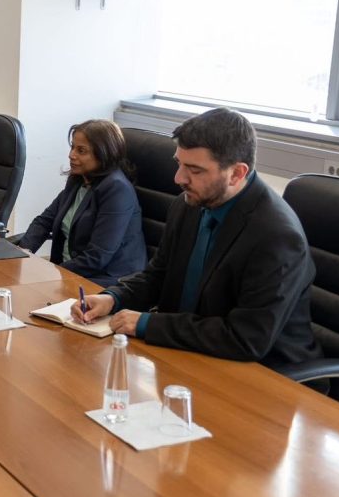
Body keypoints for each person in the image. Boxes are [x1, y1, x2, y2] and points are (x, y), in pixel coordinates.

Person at [73, 108, 320, 370]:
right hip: (192, 350)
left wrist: (147, 323)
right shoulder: (189, 205)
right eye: (179, 163)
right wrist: (114, 298)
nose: (178, 178)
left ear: (237, 173)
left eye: (195, 170)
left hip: (265, 373)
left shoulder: (276, 236)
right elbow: (158, 275)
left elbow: (246, 338)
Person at [17, 119, 146, 286]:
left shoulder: (117, 189)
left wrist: (52, 274)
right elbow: (44, 221)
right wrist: (21, 253)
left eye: (81, 151)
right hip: (69, 272)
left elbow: (97, 257)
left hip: (105, 281)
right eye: (72, 147)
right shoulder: (79, 179)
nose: (71, 155)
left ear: (104, 153)